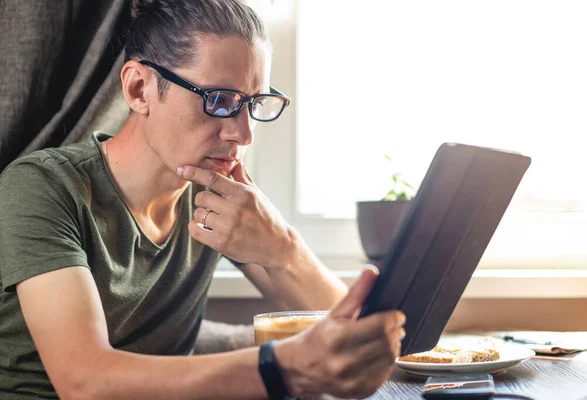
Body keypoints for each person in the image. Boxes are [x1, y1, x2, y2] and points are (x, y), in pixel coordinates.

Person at [0, 1, 406, 398]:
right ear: (138, 88)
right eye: (219, 101)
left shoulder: (216, 196)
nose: (243, 134)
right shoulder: (42, 188)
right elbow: (85, 382)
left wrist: (283, 247)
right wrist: (280, 367)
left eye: (252, 104)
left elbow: (354, 333)